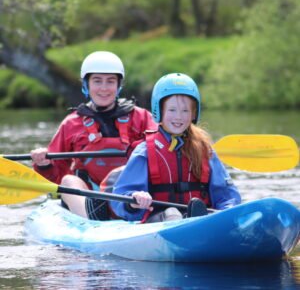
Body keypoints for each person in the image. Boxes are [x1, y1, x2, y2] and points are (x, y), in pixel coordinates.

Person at [31, 51, 157, 220]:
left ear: (119, 85)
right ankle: (91, 221)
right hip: (89, 198)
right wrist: (44, 164)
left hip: (132, 195)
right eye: (97, 81)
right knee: (68, 181)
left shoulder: (141, 118)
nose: (104, 88)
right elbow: (55, 179)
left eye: (110, 81)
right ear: (86, 85)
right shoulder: (71, 124)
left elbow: (161, 156)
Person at [110, 73, 241, 223]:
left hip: (200, 221)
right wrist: (134, 200)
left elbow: (227, 196)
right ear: (159, 111)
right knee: (172, 213)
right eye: (172, 110)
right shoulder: (144, 152)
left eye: (185, 111)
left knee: (208, 214)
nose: (178, 117)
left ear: (193, 114)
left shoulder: (205, 150)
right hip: (159, 222)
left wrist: (229, 212)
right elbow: (120, 199)